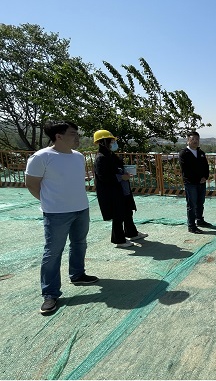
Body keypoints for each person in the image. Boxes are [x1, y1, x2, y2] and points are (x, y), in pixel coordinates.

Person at [25, 120, 98, 315]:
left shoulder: (78, 157)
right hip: (56, 213)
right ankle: (50, 293)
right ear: (58, 136)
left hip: (81, 209)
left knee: (79, 243)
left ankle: (78, 274)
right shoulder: (41, 157)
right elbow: (31, 184)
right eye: (73, 133)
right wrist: (50, 202)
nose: (77, 137)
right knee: (53, 252)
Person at [93, 129, 147, 248]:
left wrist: (126, 171)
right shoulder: (101, 158)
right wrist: (121, 177)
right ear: (103, 142)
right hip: (112, 192)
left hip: (122, 189)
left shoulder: (111, 155)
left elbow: (119, 168)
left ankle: (132, 233)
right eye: (111, 141)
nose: (114, 143)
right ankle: (119, 240)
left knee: (127, 211)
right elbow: (103, 176)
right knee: (118, 215)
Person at [179, 131, 211, 234]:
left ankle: (200, 220)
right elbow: (186, 170)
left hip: (202, 182)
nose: (195, 141)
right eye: (192, 139)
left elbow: (206, 166)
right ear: (188, 140)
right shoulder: (184, 153)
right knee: (192, 205)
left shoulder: (201, 153)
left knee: (200, 202)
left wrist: (205, 177)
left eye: (197, 139)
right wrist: (198, 179)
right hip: (191, 183)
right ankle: (191, 226)